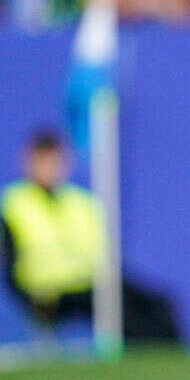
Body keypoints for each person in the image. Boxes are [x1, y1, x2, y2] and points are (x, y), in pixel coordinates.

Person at [1, 131, 180, 342]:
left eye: (54, 161)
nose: (49, 168)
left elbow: (101, 251)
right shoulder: (14, 203)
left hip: (92, 282)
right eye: (42, 161)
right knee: (129, 320)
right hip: (50, 291)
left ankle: (172, 364)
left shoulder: (81, 203)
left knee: (157, 307)